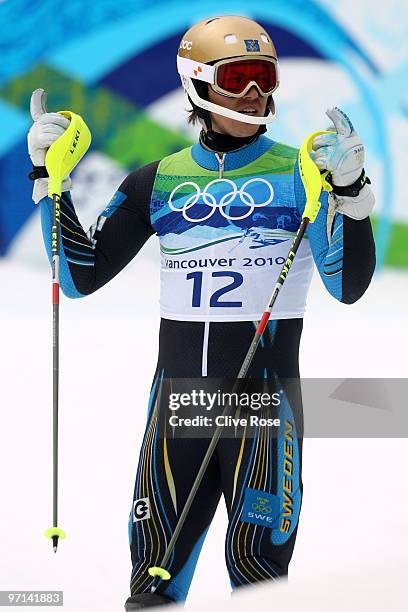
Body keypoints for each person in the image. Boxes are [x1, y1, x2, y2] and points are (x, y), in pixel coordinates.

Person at [27, 15, 376, 610]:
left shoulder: (303, 174)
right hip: (178, 408)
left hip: (264, 412)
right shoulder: (156, 182)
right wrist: (48, 179)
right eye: (236, 77)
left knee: (257, 574)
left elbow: (348, 285)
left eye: (264, 78)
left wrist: (352, 194)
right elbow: (77, 278)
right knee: (153, 583)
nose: (253, 95)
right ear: (197, 85)